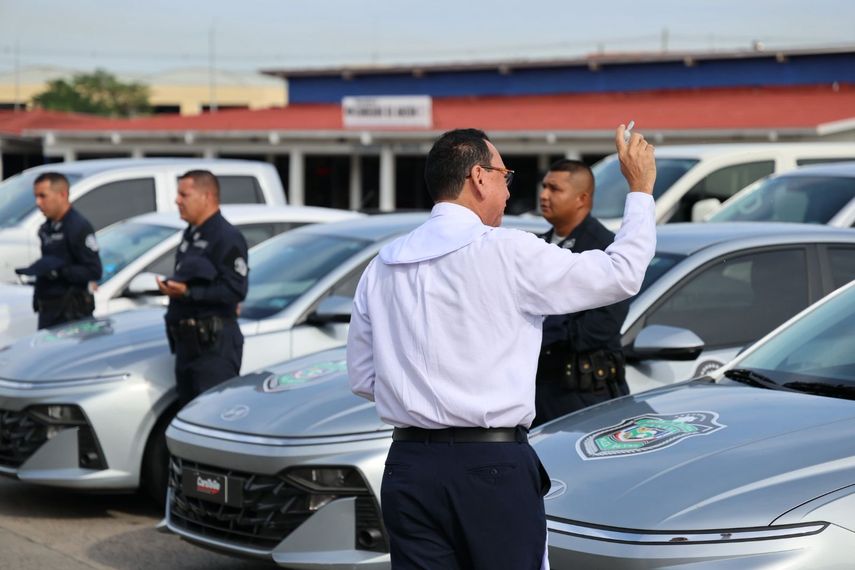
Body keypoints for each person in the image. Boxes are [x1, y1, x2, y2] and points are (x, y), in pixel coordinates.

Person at [347, 125, 656, 569]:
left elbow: (363, 378)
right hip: (489, 463)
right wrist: (640, 190)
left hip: (408, 464)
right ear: (478, 177)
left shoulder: (383, 264)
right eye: (504, 176)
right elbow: (622, 274)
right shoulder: (508, 251)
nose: (509, 192)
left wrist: (422, 399)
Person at [533, 159, 630, 427]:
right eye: (544, 187)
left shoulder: (605, 248)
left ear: (582, 198)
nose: (544, 195)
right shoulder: (537, 245)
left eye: (555, 189)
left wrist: (539, 329)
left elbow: (602, 325)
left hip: (583, 392)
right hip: (537, 389)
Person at [157, 170, 248, 406]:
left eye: (184, 195)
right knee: (188, 414)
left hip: (213, 348)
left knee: (212, 413)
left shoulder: (226, 236)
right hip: (188, 345)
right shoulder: (191, 234)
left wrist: (188, 293)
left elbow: (235, 290)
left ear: (206, 196)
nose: (177, 200)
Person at [15, 172, 101, 329]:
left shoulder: (77, 226)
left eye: (43, 196)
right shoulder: (48, 227)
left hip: (72, 315)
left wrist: (60, 272)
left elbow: (94, 270)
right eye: (36, 196)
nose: (38, 202)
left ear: (62, 194)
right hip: (49, 311)